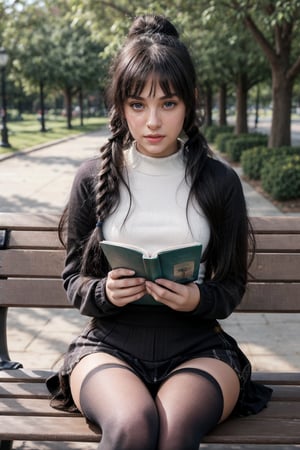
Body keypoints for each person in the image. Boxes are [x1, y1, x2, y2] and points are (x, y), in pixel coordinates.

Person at [47, 14, 272, 450]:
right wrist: (105, 293)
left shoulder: (218, 181)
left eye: (167, 104)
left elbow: (231, 285)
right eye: (138, 104)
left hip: (199, 347)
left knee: (173, 429)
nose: (152, 121)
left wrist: (198, 299)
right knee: (132, 425)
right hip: (109, 345)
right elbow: (74, 280)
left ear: (188, 104)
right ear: (120, 106)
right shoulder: (92, 177)